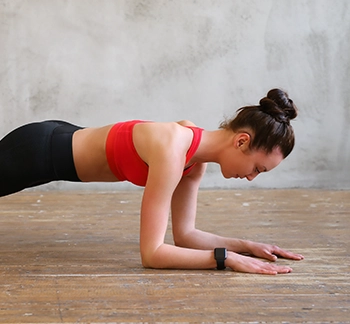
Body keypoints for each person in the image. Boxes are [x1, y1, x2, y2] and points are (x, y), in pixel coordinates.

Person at [0, 88, 304, 274]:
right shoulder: (172, 151)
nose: (251, 178)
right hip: (40, 152)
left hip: (59, 141)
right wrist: (226, 260)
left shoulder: (192, 158)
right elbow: (153, 254)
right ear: (241, 141)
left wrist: (245, 246)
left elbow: (185, 235)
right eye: (258, 169)